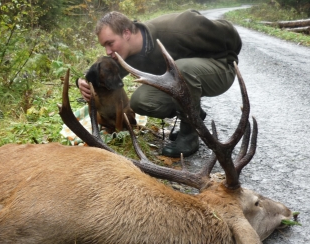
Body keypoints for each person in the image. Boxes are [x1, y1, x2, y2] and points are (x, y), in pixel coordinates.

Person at [76, 9, 242, 157]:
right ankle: (193, 114)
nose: (108, 51)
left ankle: (190, 135)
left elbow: (229, 33)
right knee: (140, 101)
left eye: (110, 43)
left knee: (181, 70)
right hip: (183, 78)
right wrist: (83, 81)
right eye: (104, 45)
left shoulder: (177, 28)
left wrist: (228, 58)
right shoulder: (125, 53)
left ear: (126, 33)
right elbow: (105, 68)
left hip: (221, 67)